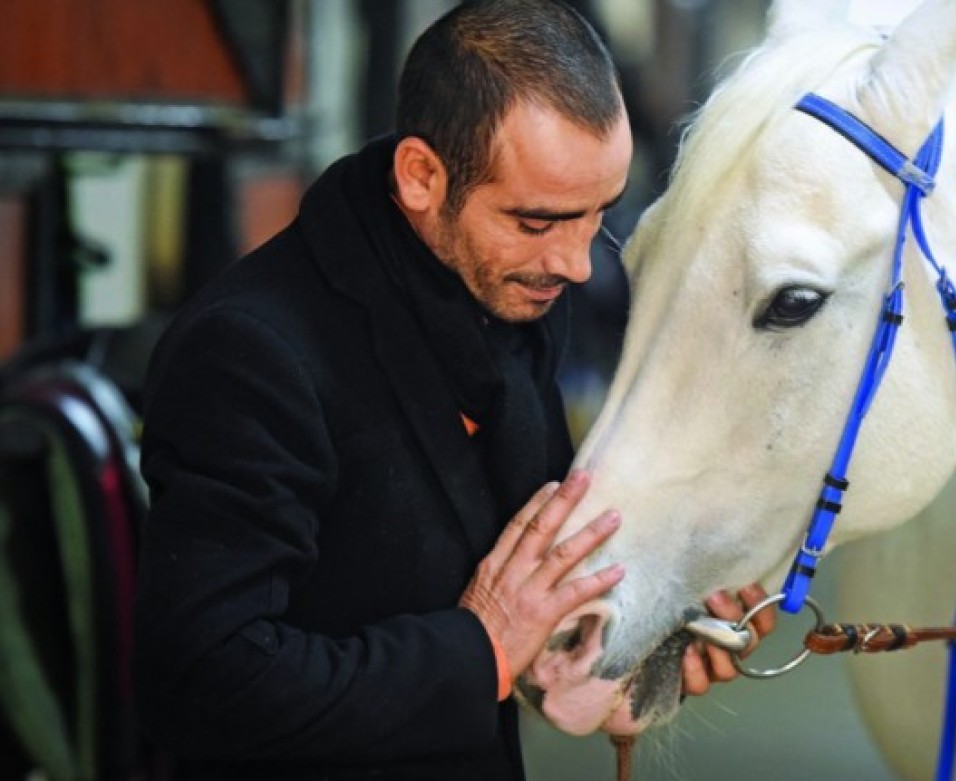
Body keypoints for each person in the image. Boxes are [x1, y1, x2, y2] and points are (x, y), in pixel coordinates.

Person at [132, 1, 774, 778]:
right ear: (422, 177)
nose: (576, 264)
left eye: (595, 215)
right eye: (537, 221)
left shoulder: (513, 293)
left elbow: (534, 606)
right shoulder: (251, 354)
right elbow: (197, 683)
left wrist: (644, 639)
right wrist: (480, 649)